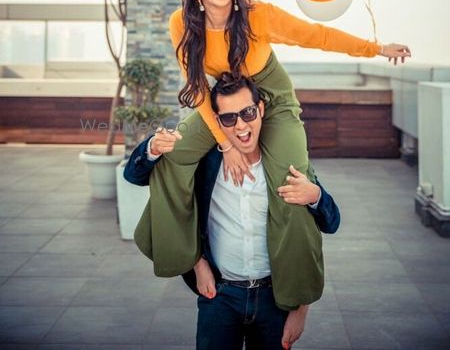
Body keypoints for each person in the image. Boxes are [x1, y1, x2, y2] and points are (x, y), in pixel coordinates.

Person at [134, 0, 410, 309]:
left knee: (291, 182)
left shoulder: (258, 16)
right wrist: (227, 145)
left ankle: (297, 296)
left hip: (273, 100)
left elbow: (319, 36)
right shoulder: (181, 23)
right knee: (172, 155)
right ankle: (189, 256)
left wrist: (377, 48)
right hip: (226, 105)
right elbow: (199, 89)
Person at [125, 73, 341, 350]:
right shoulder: (205, 163)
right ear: (216, 122)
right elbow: (136, 175)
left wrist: (315, 196)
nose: (240, 125)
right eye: (228, 118)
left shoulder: (285, 163)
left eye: (248, 112)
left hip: (275, 298)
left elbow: (331, 221)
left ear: (261, 109)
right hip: (220, 296)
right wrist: (197, 262)